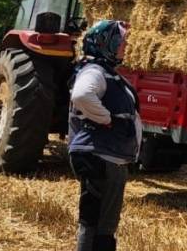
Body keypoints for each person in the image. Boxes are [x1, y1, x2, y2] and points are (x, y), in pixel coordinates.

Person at [67, 19, 142, 251]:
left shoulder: (107, 72)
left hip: (109, 157)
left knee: (102, 224)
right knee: (94, 222)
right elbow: (81, 95)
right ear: (105, 43)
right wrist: (106, 118)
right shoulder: (95, 71)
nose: (124, 46)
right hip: (100, 156)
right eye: (121, 42)